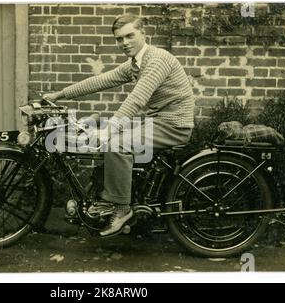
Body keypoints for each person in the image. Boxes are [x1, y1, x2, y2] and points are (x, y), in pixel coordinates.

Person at [44, 14, 195, 236]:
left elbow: (137, 99)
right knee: (103, 139)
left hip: (173, 125)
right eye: (119, 39)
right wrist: (60, 94)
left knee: (117, 144)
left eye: (129, 36)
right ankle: (104, 199)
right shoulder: (136, 63)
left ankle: (122, 209)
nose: (124, 43)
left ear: (144, 34)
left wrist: (110, 129)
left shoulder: (157, 60)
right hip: (157, 121)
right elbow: (101, 80)